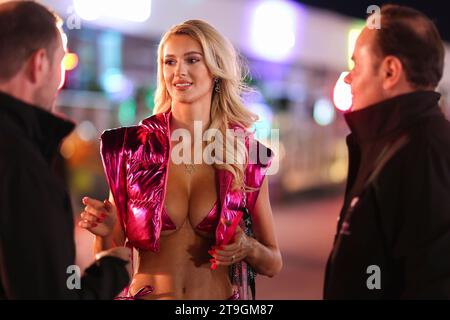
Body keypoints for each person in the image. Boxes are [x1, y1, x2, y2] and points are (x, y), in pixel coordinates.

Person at [79, 19, 282, 300]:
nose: (178, 72)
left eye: (192, 60)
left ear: (216, 70)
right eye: (169, 62)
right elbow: (110, 252)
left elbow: (273, 262)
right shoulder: (132, 148)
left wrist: (249, 247)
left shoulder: (244, 155)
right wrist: (104, 231)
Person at [0, 1, 130, 299]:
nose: (61, 81)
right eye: (62, 63)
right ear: (40, 63)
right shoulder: (25, 166)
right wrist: (112, 271)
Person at [324, 4, 450, 299]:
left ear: (390, 71)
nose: (348, 78)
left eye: (356, 65)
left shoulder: (426, 154)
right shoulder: (388, 144)